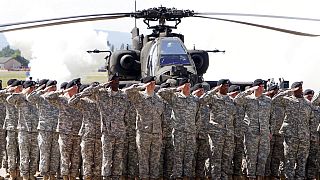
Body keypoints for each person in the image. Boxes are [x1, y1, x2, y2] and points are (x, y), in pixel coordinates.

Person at [158, 78, 199, 179]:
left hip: (190, 132)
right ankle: (177, 176)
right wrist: (177, 89)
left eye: (189, 85)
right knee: (178, 156)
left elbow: (198, 116)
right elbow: (160, 92)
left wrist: (195, 129)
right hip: (179, 132)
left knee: (189, 156)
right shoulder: (175, 97)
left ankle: (186, 176)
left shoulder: (194, 99)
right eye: (186, 85)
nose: (188, 87)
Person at [125, 76, 165, 180]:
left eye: (154, 83)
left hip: (157, 133)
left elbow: (162, 117)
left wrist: (162, 132)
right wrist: (141, 86)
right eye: (150, 83)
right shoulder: (139, 97)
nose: (153, 85)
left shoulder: (159, 99)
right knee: (143, 159)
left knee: (155, 159)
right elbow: (127, 92)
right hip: (144, 133)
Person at [273, 81, 313, 179]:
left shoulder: (307, 103)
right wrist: (289, 91)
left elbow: (311, 120)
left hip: (304, 138)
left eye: (301, 88)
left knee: (302, 161)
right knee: (289, 161)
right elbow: (274, 100)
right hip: (291, 137)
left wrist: (310, 135)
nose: (300, 90)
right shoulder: (287, 100)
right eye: (298, 88)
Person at [45, 78, 83, 180]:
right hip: (65, 133)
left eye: (78, 87)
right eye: (75, 87)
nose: (77, 88)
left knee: (75, 158)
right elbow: (48, 97)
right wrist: (64, 91)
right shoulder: (62, 100)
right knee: (65, 158)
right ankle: (65, 176)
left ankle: (73, 176)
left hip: (77, 133)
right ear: (71, 88)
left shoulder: (79, 100)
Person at [234, 79, 272, 180]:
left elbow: (272, 117)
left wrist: (270, 131)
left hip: (264, 134)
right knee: (251, 157)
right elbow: (236, 100)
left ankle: (260, 177)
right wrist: (249, 90)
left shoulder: (268, 100)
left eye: (263, 86)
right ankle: (250, 177)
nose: (261, 88)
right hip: (251, 133)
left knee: (263, 158)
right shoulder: (247, 99)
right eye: (259, 86)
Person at [199, 79, 236, 179]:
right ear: (219, 86)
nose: (226, 87)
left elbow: (234, 117)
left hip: (228, 133)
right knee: (216, 157)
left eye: (228, 86)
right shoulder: (213, 98)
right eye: (224, 85)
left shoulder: (230, 100)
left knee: (227, 158)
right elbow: (202, 100)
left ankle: (224, 177)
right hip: (216, 133)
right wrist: (214, 90)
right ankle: (215, 177)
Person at [27, 80, 60, 180]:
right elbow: (30, 98)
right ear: (47, 87)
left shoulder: (57, 99)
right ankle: (45, 175)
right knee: (45, 153)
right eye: (52, 87)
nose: (54, 89)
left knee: (54, 154)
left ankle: (52, 174)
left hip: (56, 130)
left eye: (55, 87)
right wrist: (42, 90)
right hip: (44, 130)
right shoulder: (41, 98)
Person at [68, 83, 102, 180]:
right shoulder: (84, 102)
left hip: (100, 135)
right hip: (87, 135)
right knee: (87, 161)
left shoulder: (102, 102)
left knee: (98, 162)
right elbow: (71, 102)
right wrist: (84, 92)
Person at [7, 80, 39, 180]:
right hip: (24, 130)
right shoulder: (20, 98)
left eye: (34, 88)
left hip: (35, 131)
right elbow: (9, 100)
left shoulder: (36, 99)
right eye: (32, 88)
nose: (33, 90)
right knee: (24, 155)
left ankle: (31, 174)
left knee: (34, 155)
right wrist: (22, 92)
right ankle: (24, 175)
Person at [1, 79, 22, 180]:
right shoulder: (6, 96)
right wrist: (9, 89)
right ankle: (11, 171)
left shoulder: (22, 96)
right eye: (18, 87)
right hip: (11, 127)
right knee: (11, 150)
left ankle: (18, 172)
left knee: (20, 151)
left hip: (22, 127)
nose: (20, 88)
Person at [264, 85, 285, 179]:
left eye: (277, 91)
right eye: (275, 91)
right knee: (267, 155)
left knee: (276, 156)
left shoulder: (281, 103)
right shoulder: (266, 101)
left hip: (279, 134)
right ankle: (267, 174)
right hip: (269, 133)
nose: (277, 92)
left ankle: (274, 174)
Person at [192, 83, 210, 179]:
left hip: (203, 135)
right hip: (193, 134)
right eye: (200, 90)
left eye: (203, 90)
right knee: (192, 157)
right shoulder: (191, 101)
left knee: (202, 158)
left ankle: (200, 176)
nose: (202, 92)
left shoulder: (206, 105)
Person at [228, 85, 246, 180]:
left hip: (239, 134)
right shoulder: (227, 102)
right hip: (229, 134)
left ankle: (237, 175)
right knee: (228, 156)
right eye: (236, 93)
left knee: (238, 156)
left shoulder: (241, 104)